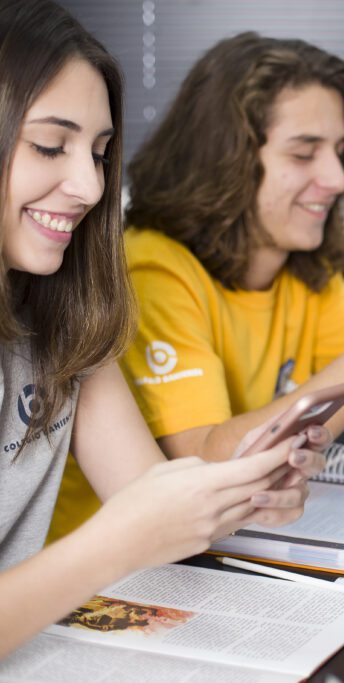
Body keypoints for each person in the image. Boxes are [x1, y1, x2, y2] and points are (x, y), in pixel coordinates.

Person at [49, 31, 344, 538]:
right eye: (303, 153)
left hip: (217, 547)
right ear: (224, 160)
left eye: (339, 151)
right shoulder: (152, 270)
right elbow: (204, 463)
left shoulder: (301, 268)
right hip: (115, 571)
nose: (338, 178)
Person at [0, 0, 323, 656]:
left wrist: (244, 492)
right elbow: (132, 523)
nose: (90, 186)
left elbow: (146, 490)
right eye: (49, 145)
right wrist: (117, 538)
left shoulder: (62, 316)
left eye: (99, 152)